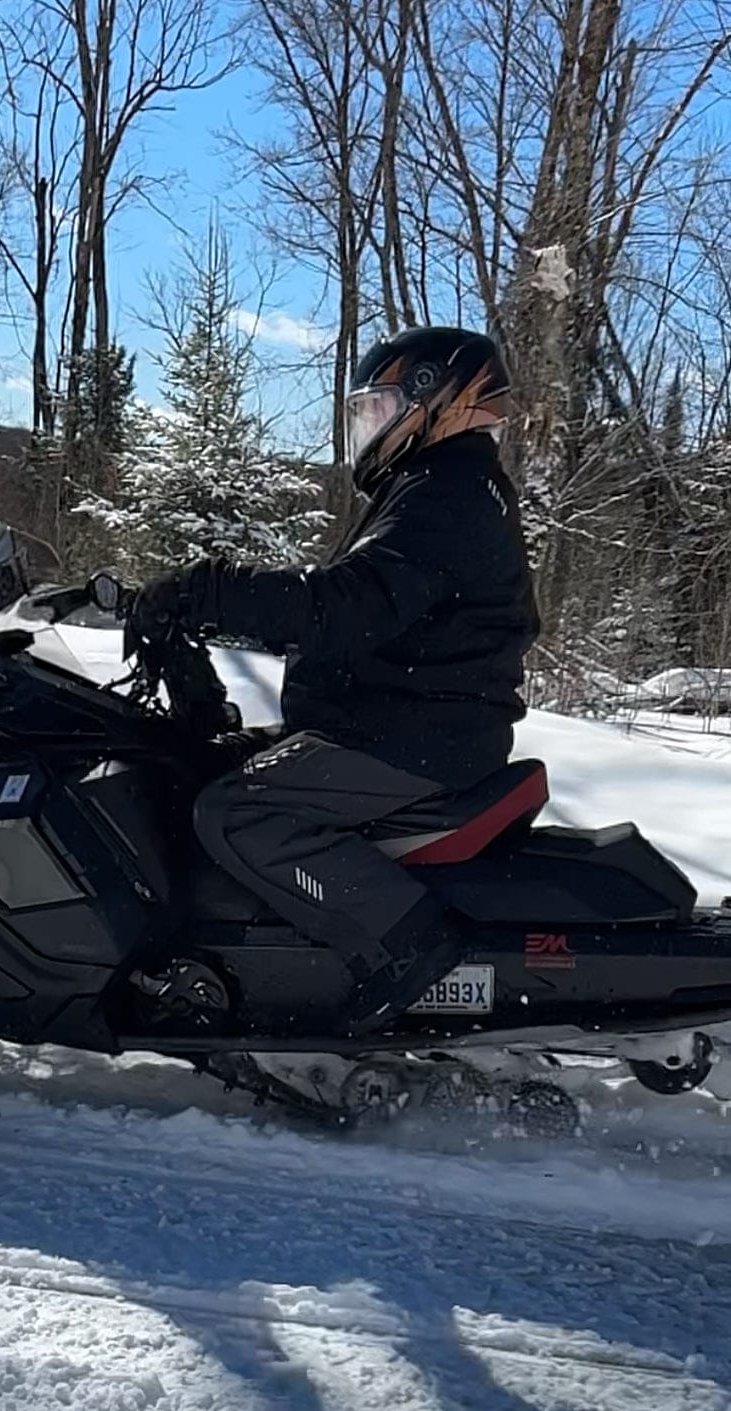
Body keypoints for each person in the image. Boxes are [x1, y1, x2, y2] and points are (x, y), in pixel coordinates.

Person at [128, 325, 540, 1031]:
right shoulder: (439, 486)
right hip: (396, 723)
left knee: (240, 811)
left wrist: (208, 592)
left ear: (439, 402)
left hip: (413, 740)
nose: (369, 429)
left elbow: (345, 604)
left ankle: (408, 944)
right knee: (197, 766)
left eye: (380, 410)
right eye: (365, 414)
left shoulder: (448, 494)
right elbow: (361, 616)